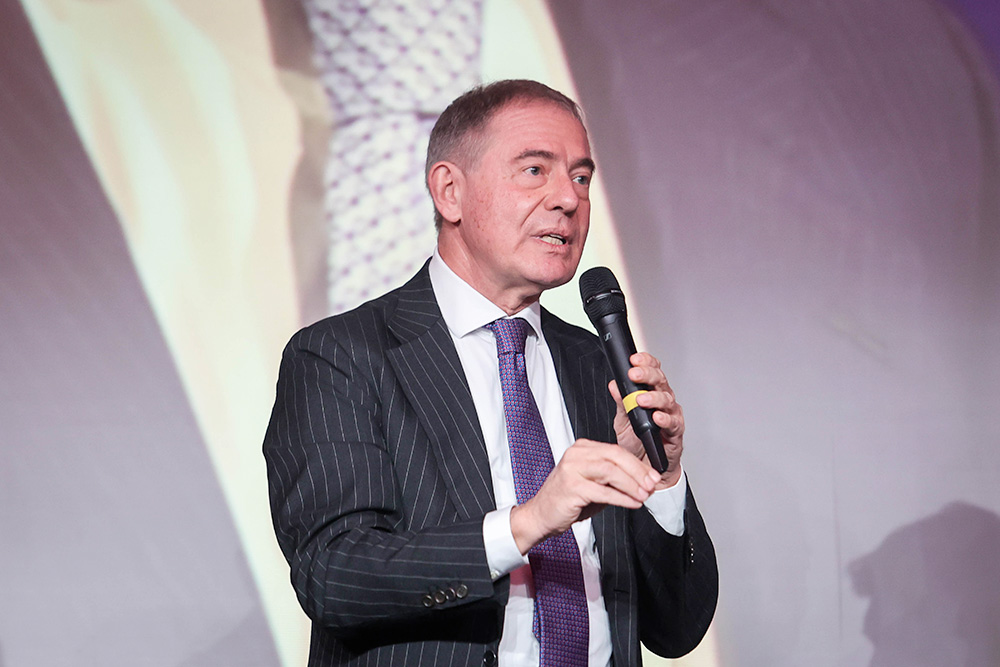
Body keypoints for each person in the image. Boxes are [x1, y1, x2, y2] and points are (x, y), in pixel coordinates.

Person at [264, 79, 718, 667]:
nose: (568, 199)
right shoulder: (340, 356)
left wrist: (662, 477)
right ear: (450, 191)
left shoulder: (594, 363)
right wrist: (528, 523)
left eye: (582, 177)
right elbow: (336, 576)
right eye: (535, 170)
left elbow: (676, 629)